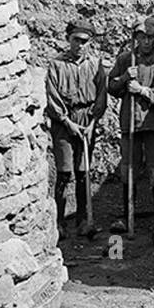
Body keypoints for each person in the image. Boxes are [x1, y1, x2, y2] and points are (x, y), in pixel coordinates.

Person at [107, 16, 154, 231]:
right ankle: (127, 215)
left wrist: (143, 91)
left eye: (150, 37)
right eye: (142, 37)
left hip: (153, 123)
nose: (146, 41)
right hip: (130, 121)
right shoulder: (125, 60)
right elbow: (111, 87)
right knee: (129, 167)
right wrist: (124, 79)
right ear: (136, 38)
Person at [45, 19, 107, 238]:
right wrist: (67, 123)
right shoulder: (57, 65)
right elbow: (52, 98)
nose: (80, 45)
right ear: (68, 39)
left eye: (85, 41)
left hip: (87, 120)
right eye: (76, 40)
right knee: (64, 172)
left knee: (83, 171)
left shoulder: (95, 65)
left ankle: (83, 220)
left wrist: (92, 123)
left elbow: (101, 95)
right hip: (64, 122)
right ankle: (59, 222)